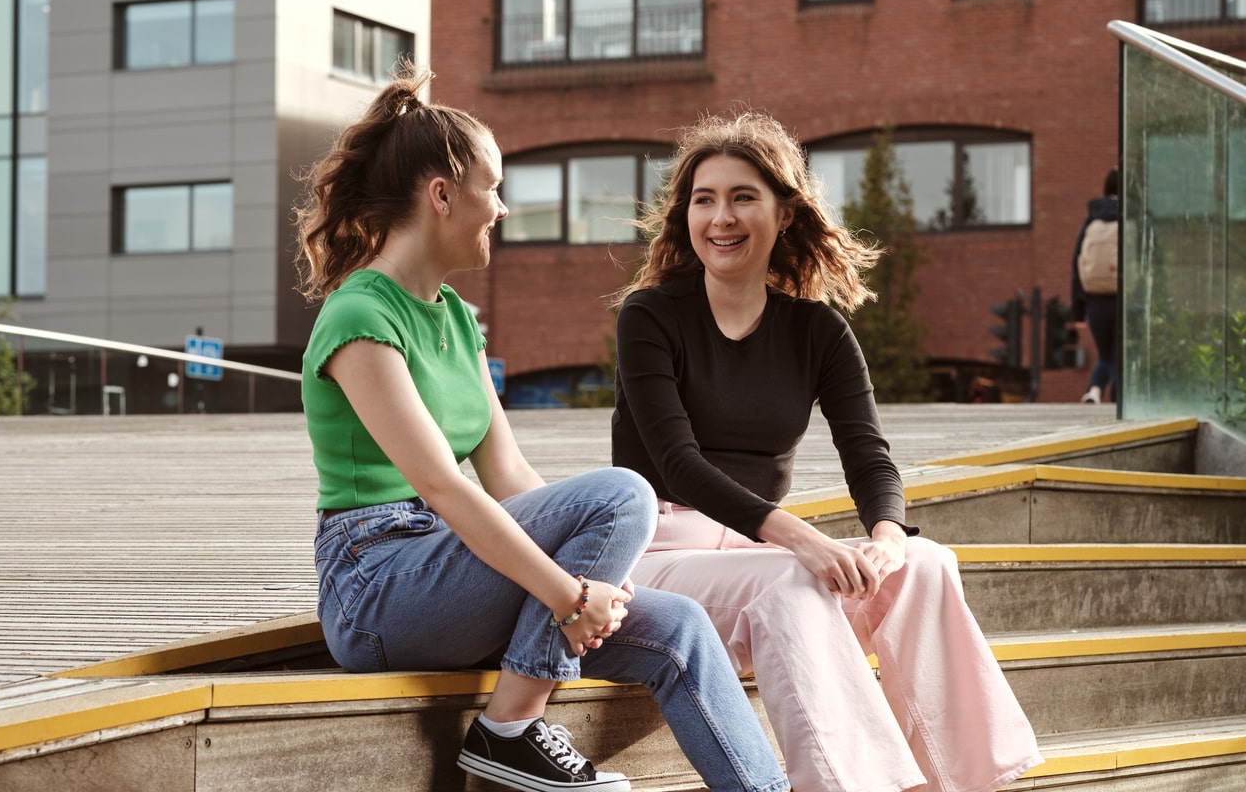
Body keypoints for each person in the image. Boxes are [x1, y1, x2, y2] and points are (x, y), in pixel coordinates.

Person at [295, 70, 791, 792]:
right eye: (491, 188)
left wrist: (599, 579)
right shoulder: (358, 315)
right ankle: (510, 730)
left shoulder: (457, 320)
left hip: (453, 569)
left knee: (681, 627)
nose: (501, 208)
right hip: (377, 584)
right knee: (623, 492)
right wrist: (566, 594)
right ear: (441, 195)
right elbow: (441, 487)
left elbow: (512, 483)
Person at [610, 111, 1044, 792]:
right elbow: (676, 461)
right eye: (704, 199)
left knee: (925, 566)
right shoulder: (650, 316)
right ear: (686, 216)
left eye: (743, 197)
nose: (721, 217)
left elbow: (870, 455)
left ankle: (964, 783)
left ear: (785, 214)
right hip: (657, 550)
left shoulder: (819, 332)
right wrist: (799, 539)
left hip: (751, 549)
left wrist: (888, 537)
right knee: (789, 580)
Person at [1071, 168, 1120, 404]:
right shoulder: (1132, 216)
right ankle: (1119, 404)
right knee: (1120, 355)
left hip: (1095, 300)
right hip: (1124, 298)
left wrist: (1077, 311)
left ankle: (1095, 389)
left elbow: (1076, 262)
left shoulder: (1092, 218)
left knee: (1105, 355)